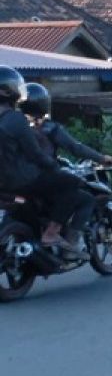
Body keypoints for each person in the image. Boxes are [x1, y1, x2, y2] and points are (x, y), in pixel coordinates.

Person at [0, 67, 91, 255]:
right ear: (10, 90)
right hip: (22, 181)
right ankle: (51, 233)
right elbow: (34, 154)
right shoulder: (15, 119)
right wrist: (53, 166)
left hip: (4, 185)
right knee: (71, 182)